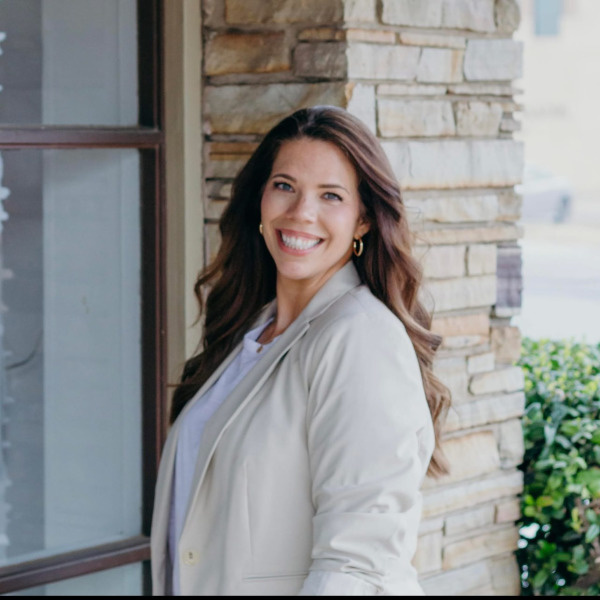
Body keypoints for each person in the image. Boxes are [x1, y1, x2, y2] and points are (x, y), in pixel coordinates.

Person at [150, 105, 451, 596]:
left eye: (330, 195)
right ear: (261, 199)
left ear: (363, 220)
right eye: (285, 186)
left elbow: (357, 563)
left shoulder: (359, 338)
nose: (300, 212)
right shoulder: (252, 332)